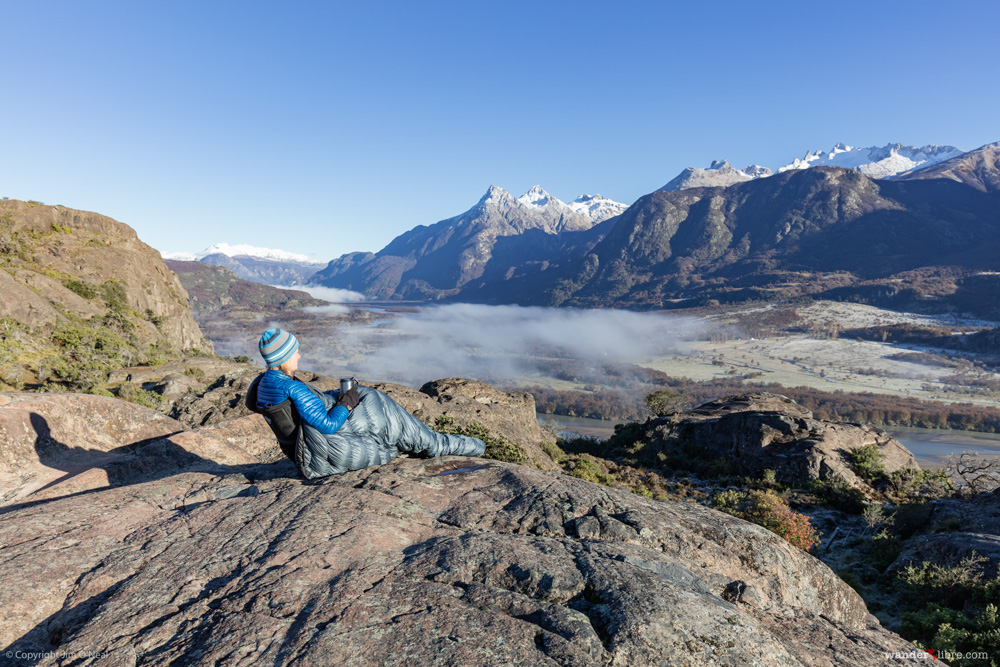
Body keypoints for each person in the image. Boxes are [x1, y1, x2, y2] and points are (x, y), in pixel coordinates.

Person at [247, 328, 486, 479]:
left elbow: (302, 409)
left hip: (304, 448)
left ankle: (439, 441)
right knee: (375, 402)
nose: (299, 355)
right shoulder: (290, 386)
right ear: (282, 358)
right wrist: (348, 402)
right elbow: (327, 425)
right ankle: (468, 446)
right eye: (294, 352)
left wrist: (342, 396)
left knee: (370, 400)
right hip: (322, 452)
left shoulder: (265, 383)